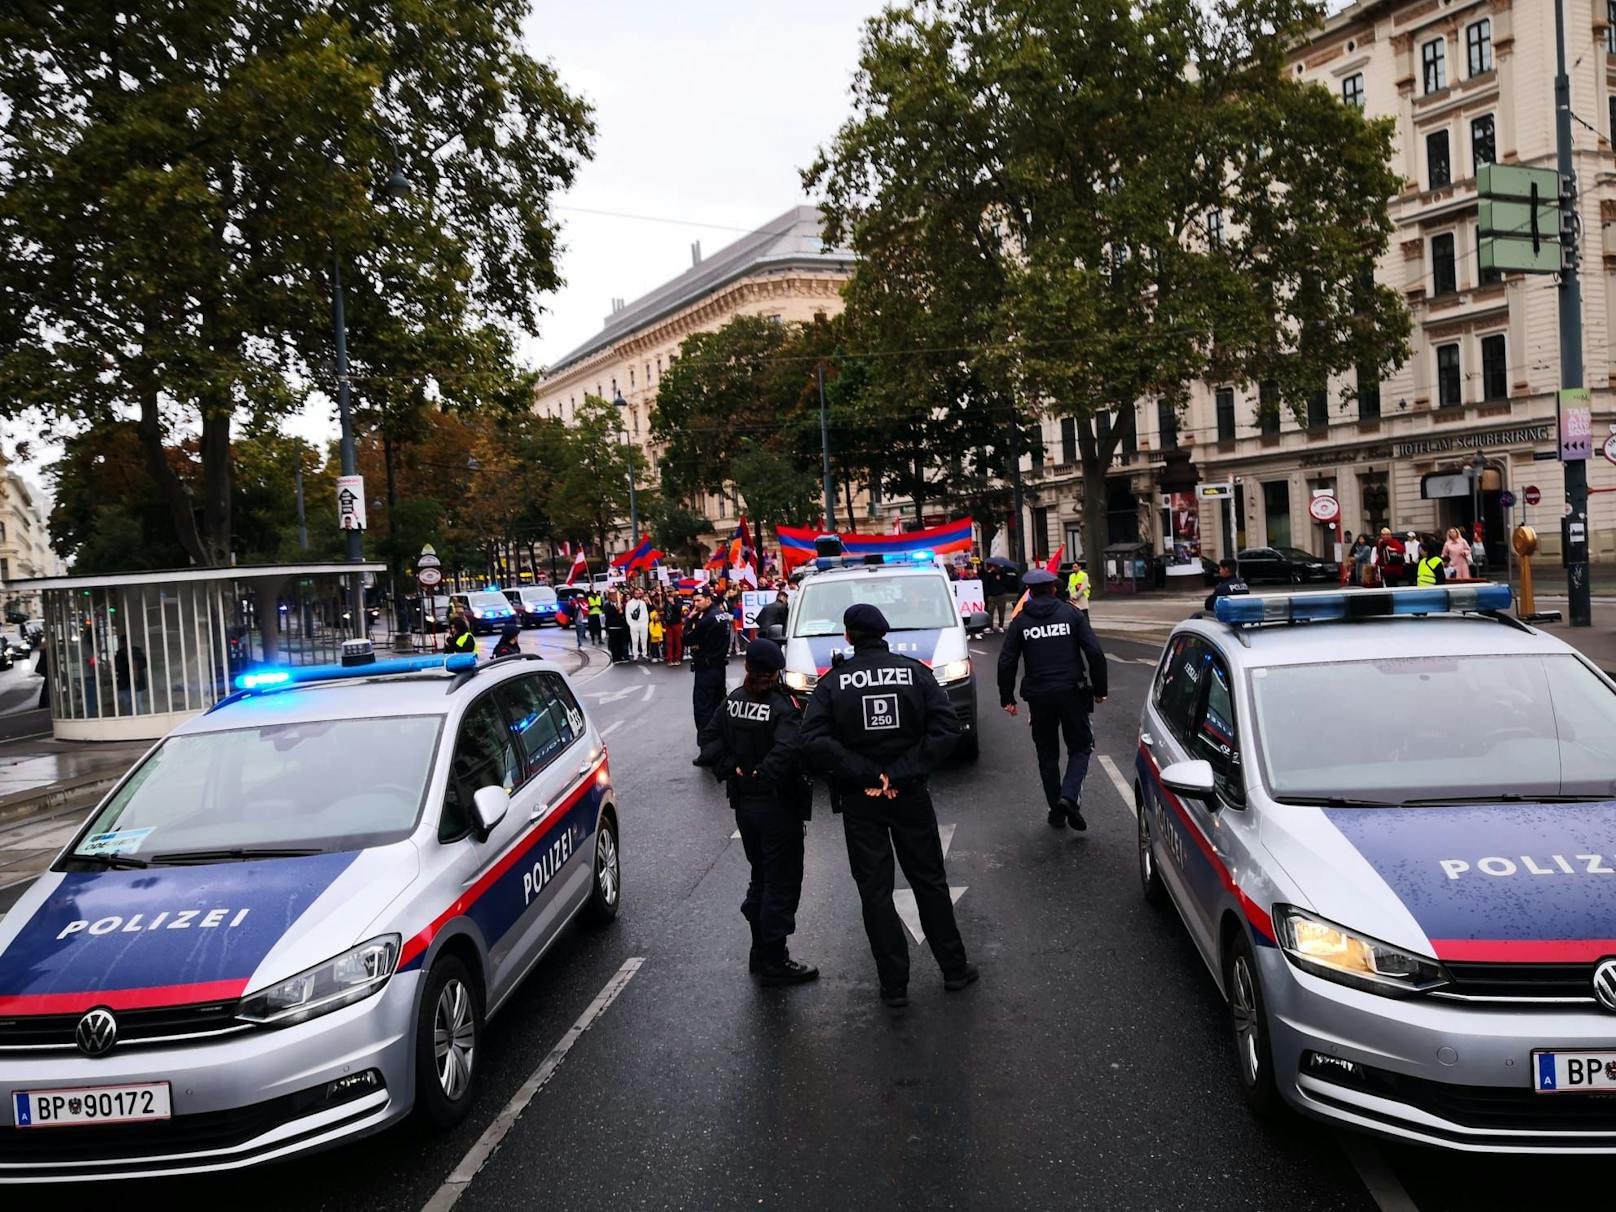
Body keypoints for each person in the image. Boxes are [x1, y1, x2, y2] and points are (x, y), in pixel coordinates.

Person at [800, 603, 977, 1008]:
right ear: (885, 633)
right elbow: (947, 728)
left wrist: (867, 774)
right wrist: (897, 773)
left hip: (861, 800)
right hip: (909, 793)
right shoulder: (915, 672)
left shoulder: (833, 682)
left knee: (875, 892)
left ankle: (894, 986)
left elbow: (812, 740)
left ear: (848, 637)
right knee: (930, 882)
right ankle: (954, 969)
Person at [695, 638, 817, 986]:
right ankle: (775, 959)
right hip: (777, 805)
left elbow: (709, 740)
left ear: (748, 668)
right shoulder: (782, 706)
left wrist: (732, 767)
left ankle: (758, 951)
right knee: (782, 881)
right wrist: (764, 773)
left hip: (744, 806)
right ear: (776, 670)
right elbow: (790, 749)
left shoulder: (733, 702)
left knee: (760, 875)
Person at [997, 569, 1109, 829]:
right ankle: (1069, 797)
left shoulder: (1021, 622)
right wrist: (1100, 689)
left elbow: (1006, 661)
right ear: (1054, 589)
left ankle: (1056, 810)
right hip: (1071, 692)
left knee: (1047, 755)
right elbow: (1094, 651)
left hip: (1038, 697)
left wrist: (1007, 697)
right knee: (1081, 747)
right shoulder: (1071, 615)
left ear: (1029, 593)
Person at [687, 587, 732, 738]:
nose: (695, 604)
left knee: (703, 709)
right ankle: (722, 739)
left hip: (706, 668)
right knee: (719, 705)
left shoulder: (706, 619)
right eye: (694, 601)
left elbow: (687, 639)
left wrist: (690, 619)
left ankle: (707, 744)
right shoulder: (721, 614)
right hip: (719, 667)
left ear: (708, 599)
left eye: (699, 600)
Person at [603, 592, 630, 662]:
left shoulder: (621, 605)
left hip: (620, 626)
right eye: (613, 596)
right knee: (614, 643)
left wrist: (621, 611)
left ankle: (620, 656)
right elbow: (608, 615)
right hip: (612, 626)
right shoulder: (607, 605)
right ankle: (615, 658)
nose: (615, 598)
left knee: (620, 642)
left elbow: (624, 615)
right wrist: (616, 610)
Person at [625, 589, 650, 661]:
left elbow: (645, 613)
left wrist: (645, 623)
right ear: (633, 594)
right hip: (634, 624)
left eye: (638, 593)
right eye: (636, 593)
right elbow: (628, 614)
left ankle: (644, 653)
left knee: (644, 639)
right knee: (634, 640)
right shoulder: (629, 603)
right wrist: (630, 624)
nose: (637, 595)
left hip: (643, 624)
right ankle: (635, 654)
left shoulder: (642, 603)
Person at [664, 591, 686, 665]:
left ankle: (678, 658)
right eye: (668, 592)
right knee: (669, 642)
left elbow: (679, 609)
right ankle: (670, 658)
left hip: (676, 623)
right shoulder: (666, 600)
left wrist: (673, 602)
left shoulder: (678, 599)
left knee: (678, 642)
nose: (669, 594)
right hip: (668, 623)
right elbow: (665, 610)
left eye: (671, 592)